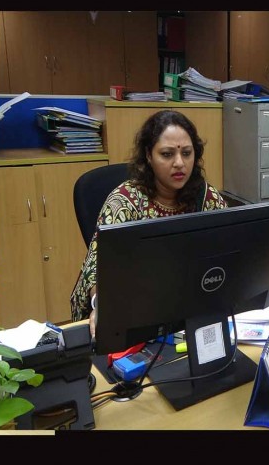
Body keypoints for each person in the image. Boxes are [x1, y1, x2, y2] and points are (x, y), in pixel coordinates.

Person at [70, 110, 227, 336]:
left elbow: (231, 247)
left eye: (187, 153)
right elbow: (98, 268)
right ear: (149, 156)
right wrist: (103, 305)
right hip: (137, 314)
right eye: (167, 154)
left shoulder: (205, 197)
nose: (179, 163)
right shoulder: (124, 202)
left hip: (193, 308)